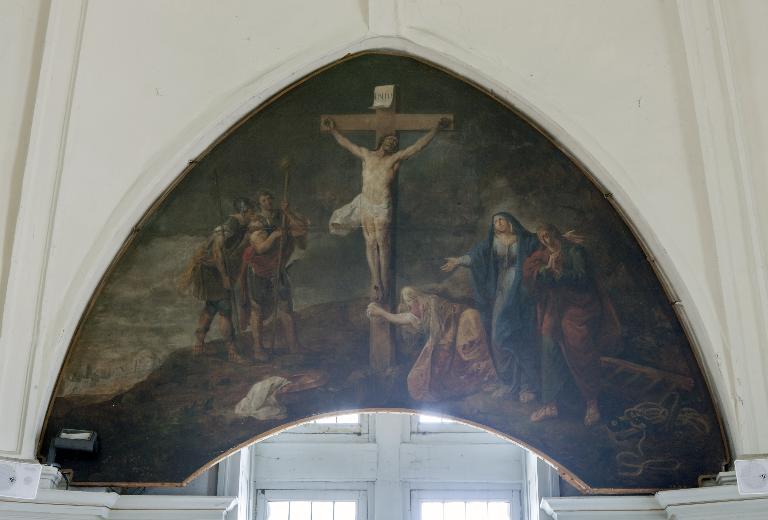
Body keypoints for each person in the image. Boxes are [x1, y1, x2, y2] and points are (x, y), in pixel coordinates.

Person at [324, 117, 449, 303]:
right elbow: (347, 144)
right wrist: (334, 131)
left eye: (395, 142)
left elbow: (417, 146)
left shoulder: (394, 160)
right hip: (366, 203)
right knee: (370, 241)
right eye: (389, 140)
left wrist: (436, 129)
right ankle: (375, 280)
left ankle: (384, 279)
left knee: (382, 243)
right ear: (381, 141)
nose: (392, 143)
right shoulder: (366, 155)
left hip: (382, 206)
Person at [523, 224, 621, 426]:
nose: (546, 240)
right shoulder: (544, 254)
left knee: (579, 349)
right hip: (556, 305)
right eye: (542, 238)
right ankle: (550, 403)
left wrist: (558, 273)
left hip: (578, 306)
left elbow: (582, 278)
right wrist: (544, 271)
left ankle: (591, 402)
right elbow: (531, 273)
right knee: (548, 346)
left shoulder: (574, 251)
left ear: (555, 233)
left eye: (548, 235)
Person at [441, 212, 540, 402]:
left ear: (510, 222)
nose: (498, 223)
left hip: (521, 291)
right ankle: (508, 382)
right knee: (497, 337)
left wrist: (562, 241)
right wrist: (458, 261)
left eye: (501, 220)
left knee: (522, 336)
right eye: (495, 221)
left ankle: (527, 386)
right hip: (502, 290)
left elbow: (546, 245)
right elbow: (475, 257)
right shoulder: (491, 241)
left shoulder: (525, 240)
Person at [367, 287, 498, 402]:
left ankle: (487, 379)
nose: (409, 307)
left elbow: (442, 333)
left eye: (410, 302)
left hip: (465, 321)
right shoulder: (419, 314)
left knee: (467, 353)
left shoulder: (432, 303)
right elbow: (404, 318)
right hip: (448, 337)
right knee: (421, 377)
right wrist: (380, 312)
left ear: (417, 299)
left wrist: (439, 348)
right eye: (407, 303)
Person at [179, 197, 255, 361]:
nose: (252, 215)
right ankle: (231, 350)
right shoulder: (231, 224)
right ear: (244, 211)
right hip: (213, 271)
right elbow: (217, 250)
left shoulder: (239, 225)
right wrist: (225, 276)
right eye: (251, 211)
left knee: (212, 306)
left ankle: (199, 343)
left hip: (212, 269)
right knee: (225, 309)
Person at [240, 191, 308, 361]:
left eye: (270, 198)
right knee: (258, 310)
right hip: (260, 272)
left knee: (286, 308)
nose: (268, 202)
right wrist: (274, 236)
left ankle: (293, 345)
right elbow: (260, 248)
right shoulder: (257, 222)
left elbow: (300, 230)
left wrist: (288, 212)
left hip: (278, 269)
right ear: (259, 203)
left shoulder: (281, 216)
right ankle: (258, 348)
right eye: (263, 200)